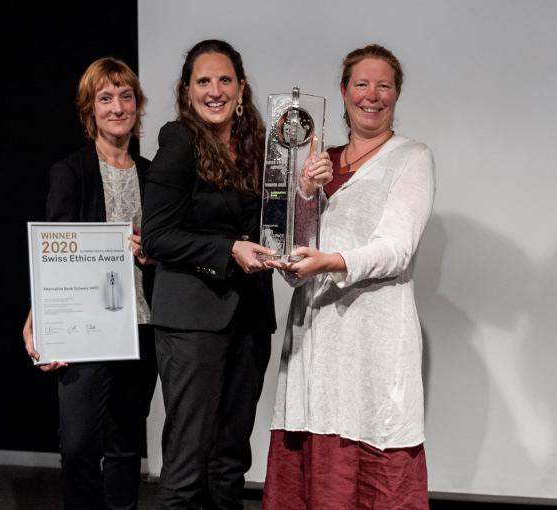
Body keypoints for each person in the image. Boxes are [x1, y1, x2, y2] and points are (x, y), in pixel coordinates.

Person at [263, 44, 436, 509]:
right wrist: (304, 193)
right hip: (315, 342)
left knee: (373, 464)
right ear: (343, 92)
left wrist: (331, 261)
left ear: (397, 93)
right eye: (361, 84)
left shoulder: (411, 157)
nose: (372, 95)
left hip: (372, 342)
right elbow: (293, 266)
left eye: (383, 85)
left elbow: (397, 249)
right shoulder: (317, 162)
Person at [141, 39, 303, 510]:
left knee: (231, 459)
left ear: (242, 87)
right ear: (187, 90)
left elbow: (276, 225)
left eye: (224, 80)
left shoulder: (261, 145)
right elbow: (157, 237)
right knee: (188, 464)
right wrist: (227, 249)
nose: (215, 90)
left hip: (249, 318)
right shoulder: (179, 140)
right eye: (204, 81)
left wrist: (305, 192)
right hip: (192, 319)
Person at [22, 56, 157, 510]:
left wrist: (153, 251)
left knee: (125, 445)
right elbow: (54, 254)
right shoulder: (71, 171)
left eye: (125, 97)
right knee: (78, 444)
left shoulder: (154, 174)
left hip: (141, 325)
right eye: (105, 98)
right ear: (89, 111)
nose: (117, 107)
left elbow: (169, 245)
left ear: (138, 106)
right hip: (86, 329)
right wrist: (38, 315)